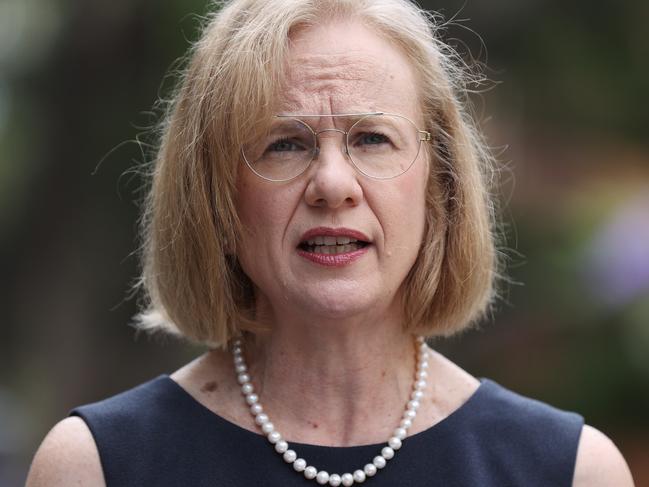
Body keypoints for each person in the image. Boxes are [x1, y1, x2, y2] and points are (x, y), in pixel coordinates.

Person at [26, 0, 634, 486]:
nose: (333, 185)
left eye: (372, 138)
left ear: (438, 183)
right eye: (284, 144)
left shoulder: (570, 470)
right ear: (213, 195)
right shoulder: (95, 467)